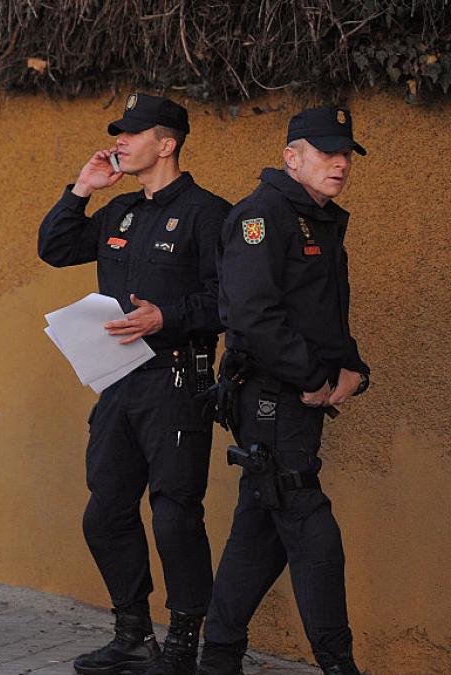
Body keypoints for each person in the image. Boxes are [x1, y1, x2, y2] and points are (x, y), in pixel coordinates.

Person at [37, 93, 230, 675]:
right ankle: (132, 633)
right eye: (117, 133)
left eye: (132, 133)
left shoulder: (209, 213)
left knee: (174, 514)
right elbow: (55, 248)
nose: (119, 141)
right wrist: (82, 188)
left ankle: (183, 642)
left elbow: (231, 300)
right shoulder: (120, 211)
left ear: (166, 144)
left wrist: (166, 316)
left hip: (175, 379)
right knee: (104, 513)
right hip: (118, 381)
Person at [197, 107, 370, 675]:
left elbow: (322, 314)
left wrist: (352, 369)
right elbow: (253, 318)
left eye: (345, 153)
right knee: (313, 529)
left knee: (261, 527)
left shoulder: (319, 217)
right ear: (292, 158)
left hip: (297, 401)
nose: (339, 162)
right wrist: (314, 379)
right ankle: (339, 666)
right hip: (272, 399)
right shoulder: (263, 215)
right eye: (325, 152)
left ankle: (218, 655)